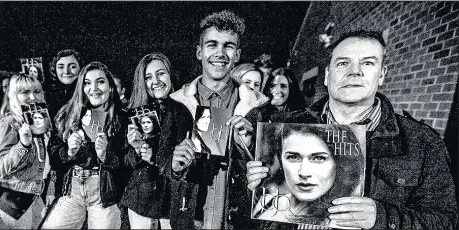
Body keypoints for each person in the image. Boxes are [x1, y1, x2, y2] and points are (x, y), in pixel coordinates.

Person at [246, 30, 458, 229]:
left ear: (382, 75)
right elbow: (264, 216)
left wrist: (382, 218)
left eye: (367, 63)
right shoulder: (286, 127)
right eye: (343, 63)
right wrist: (258, 187)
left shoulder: (421, 143)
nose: (354, 72)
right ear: (328, 76)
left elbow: (445, 221)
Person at [168, 10, 264, 229]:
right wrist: (174, 164)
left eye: (228, 46)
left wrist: (248, 145)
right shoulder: (177, 102)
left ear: (237, 55)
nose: (220, 53)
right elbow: (163, 155)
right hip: (189, 210)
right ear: (199, 52)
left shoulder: (257, 105)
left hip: (234, 213)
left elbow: (269, 166)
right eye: (212, 45)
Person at [42, 61, 124, 229]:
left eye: (100, 81)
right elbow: (54, 154)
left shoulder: (122, 118)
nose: (93, 88)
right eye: (87, 83)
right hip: (72, 189)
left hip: (104, 194)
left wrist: (105, 155)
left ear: (110, 86)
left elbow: (126, 164)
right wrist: (69, 151)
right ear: (81, 87)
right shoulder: (68, 113)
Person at [122, 52, 193, 229]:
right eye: (148, 77)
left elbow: (186, 161)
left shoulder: (184, 111)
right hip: (140, 200)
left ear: (170, 74)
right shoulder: (136, 112)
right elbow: (127, 163)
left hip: (173, 202)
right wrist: (137, 150)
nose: (156, 81)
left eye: (161, 73)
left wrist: (155, 158)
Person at [251, 124, 364, 227]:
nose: (304, 173)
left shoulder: (347, 221)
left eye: (319, 158)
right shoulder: (266, 203)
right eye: (293, 157)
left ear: (339, 163)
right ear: (281, 160)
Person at [0, 73, 54, 229]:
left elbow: (47, 163)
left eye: (36, 91)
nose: (32, 97)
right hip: (12, 202)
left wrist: (49, 189)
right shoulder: (9, 123)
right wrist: (22, 145)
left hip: (35, 197)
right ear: (13, 95)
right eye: (24, 92)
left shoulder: (41, 120)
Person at [46, 49, 83, 119]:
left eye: (72, 67)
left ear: (80, 69)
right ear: (54, 70)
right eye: (61, 67)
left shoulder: (88, 92)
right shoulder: (49, 96)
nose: (66, 71)